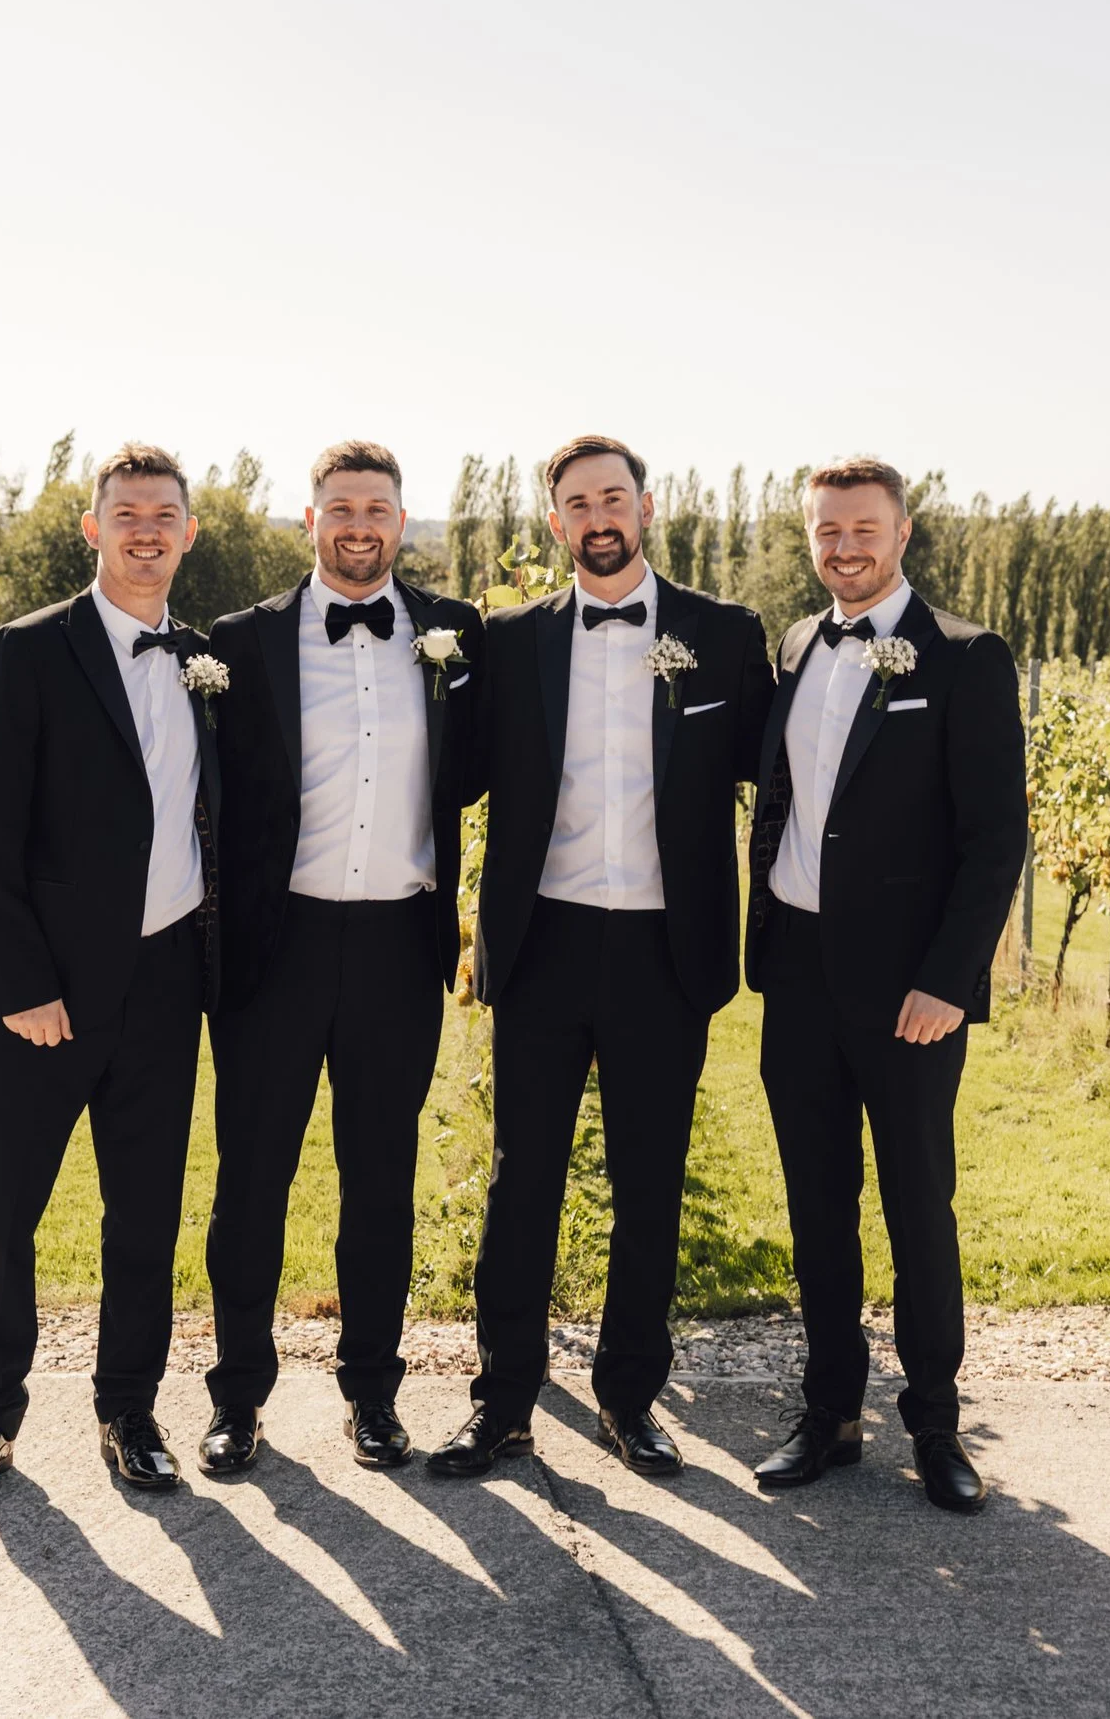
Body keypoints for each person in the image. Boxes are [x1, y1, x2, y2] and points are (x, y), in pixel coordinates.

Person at [430, 435, 774, 1480]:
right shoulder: (510, 638)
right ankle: (501, 1404)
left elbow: (781, 777)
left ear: (646, 504)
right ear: (553, 524)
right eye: (576, 503)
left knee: (649, 1185)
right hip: (540, 943)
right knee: (519, 1181)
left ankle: (630, 1398)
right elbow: (454, 771)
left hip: (667, 949)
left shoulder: (722, 635)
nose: (597, 516)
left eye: (612, 496)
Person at [0, 443, 222, 1508]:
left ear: (190, 534)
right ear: (91, 529)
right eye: (127, 512)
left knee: (143, 1214)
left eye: (165, 514)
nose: (146, 529)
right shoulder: (26, 651)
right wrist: (21, 984)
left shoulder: (203, 658)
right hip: (41, 997)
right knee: (5, 1210)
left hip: (164, 984)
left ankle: (129, 1412)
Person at [742, 456, 1027, 1511]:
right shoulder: (793, 647)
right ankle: (828, 1415)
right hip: (798, 979)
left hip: (911, 994)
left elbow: (995, 839)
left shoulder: (965, 658)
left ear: (902, 534)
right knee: (817, 1208)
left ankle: (938, 1428)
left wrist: (949, 981)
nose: (844, 547)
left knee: (917, 1206)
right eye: (826, 531)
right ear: (809, 538)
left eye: (863, 528)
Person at [197, 441, 483, 1474]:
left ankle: (373, 1395)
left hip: (399, 946)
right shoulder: (240, 642)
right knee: (252, 1182)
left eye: (376, 506)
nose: (358, 522)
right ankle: (236, 1401)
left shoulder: (456, 636)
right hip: (277, 946)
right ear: (306, 521)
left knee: (379, 1181)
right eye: (339, 506)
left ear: (401, 522)